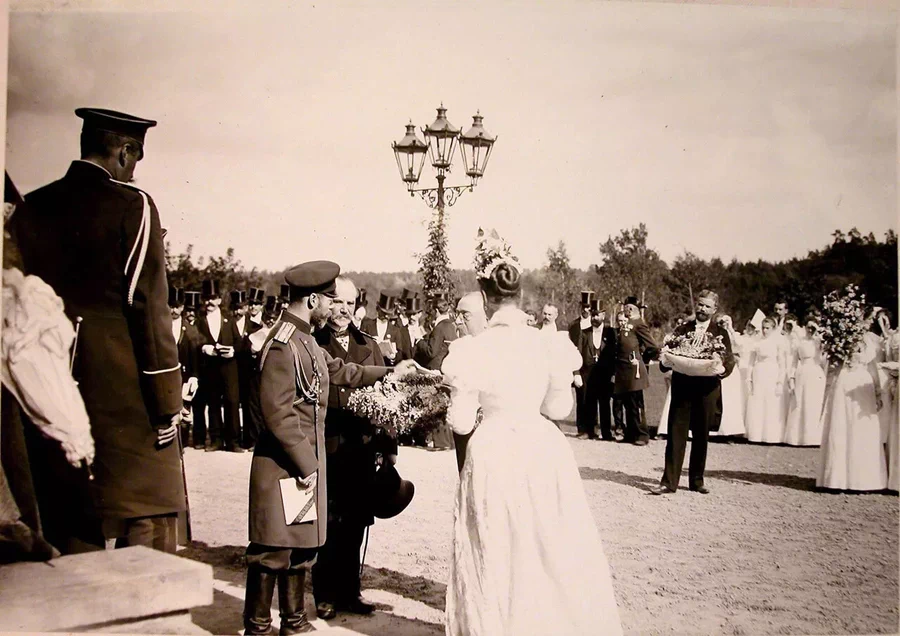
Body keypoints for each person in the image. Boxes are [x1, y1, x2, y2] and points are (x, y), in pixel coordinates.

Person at [13, 107, 185, 553]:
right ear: (125, 151)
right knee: (148, 512)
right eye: (136, 157)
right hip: (122, 387)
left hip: (48, 378)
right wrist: (166, 401)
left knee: (72, 515)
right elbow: (147, 307)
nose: (134, 170)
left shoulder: (32, 206)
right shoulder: (134, 205)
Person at [443, 230, 621, 636]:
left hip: (495, 449)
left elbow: (461, 423)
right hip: (542, 448)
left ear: (485, 298)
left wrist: (459, 396)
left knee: (497, 544)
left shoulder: (474, 349)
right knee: (547, 543)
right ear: (520, 296)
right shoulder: (548, 344)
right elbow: (559, 408)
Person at [243, 261, 418, 635]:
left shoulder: (304, 339)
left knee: (302, 547)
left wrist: (391, 372)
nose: (333, 307)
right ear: (311, 300)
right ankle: (257, 627)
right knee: (273, 551)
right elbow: (278, 415)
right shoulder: (283, 344)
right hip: (285, 466)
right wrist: (311, 465)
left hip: (302, 465)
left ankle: (293, 622)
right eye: (328, 300)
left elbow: (342, 371)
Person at [311, 276, 397, 620]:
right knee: (329, 521)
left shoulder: (369, 345)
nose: (343, 310)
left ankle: (351, 591)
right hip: (328, 446)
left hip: (361, 447)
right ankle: (325, 593)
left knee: (357, 521)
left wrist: (388, 447)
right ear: (327, 304)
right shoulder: (314, 343)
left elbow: (387, 398)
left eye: (349, 303)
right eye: (337, 302)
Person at [651, 290, 735, 495]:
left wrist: (721, 368)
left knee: (701, 435)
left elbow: (729, 361)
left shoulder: (720, 333)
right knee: (676, 434)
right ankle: (669, 482)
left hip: (707, 389)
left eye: (707, 306)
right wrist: (664, 359)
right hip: (682, 388)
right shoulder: (682, 329)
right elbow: (667, 357)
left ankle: (696, 480)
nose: (702, 309)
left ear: (714, 310)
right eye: (700, 304)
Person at [817, 313, 887, 492]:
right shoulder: (842, 337)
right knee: (842, 425)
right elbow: (834, 365)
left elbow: (872, 366)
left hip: (863, 386)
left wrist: (878, 392)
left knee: (862, 427)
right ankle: (837, 479)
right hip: (845, 382)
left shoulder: (870, 341)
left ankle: (863, 479)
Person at [193, 279, 244, 452]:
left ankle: (233, 441)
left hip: (229, 368)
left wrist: (233, 351)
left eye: (213, 298)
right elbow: (195, 342)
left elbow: (240, 343)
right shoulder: (199, 321)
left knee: (231, 402)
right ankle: (216, 440)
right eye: (206, 298)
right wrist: (204, 347)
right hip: (210, 369)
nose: (209, 302)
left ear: (219, 300)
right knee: (213, 403)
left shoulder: (229, 321)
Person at [613, 297, 658, 445]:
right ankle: (630, 434)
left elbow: (652, 346)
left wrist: (641, 360)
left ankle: (642, 435)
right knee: (627, 403)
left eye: (626, 308)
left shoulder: (639, 325)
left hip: (634, 372)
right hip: (623, 371)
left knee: (636, 404)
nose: (624, 310)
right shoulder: (628, 323)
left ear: (631, 309)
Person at [576, 301, 617, 441]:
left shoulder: (611, 332)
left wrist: (613, 373)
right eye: (593, 315)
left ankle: (606, 433)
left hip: (604, 373)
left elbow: (615, 353)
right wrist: (577, 372)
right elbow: (579, 352)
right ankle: (589, 431)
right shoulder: (584, 333)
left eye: (597, 315)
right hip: (588, 373)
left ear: (604, 315)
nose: (594, 318)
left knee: (605, 403)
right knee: (588, 402)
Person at [783, 318, 826, 446]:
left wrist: (819, 336)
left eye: (813, 328)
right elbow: (794, 363)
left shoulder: (819, 342)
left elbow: (823, 358)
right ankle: (797, 437)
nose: (810, 330)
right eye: (808, 327)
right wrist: (791, 378)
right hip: (802, 373)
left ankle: (812, 438)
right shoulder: (799, 343)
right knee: (800, 403)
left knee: (813, 403)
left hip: (816, 373)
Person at [745, 318, 788, 444]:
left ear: (773, 328)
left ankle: (771, 436)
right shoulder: (757, 343)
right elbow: (751, 363)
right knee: (758, 401)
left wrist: (780, 382)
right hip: (759, 373)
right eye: (763, 327)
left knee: (771, 402)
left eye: (768, 328)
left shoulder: (777, 343)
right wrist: (749, 378)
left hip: (772, 373)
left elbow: (782, 364)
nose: (765, 330)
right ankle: (756, 435)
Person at [170, 286, 200, 448]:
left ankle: (182, 443)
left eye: (178, 306)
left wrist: (195, 375)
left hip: (185, 374)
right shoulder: (162, 325)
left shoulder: (189, 329)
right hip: (168, 373)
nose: (174, 310)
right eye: (171, 306)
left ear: (182, 307)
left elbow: (194, 353)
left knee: (185, 408)